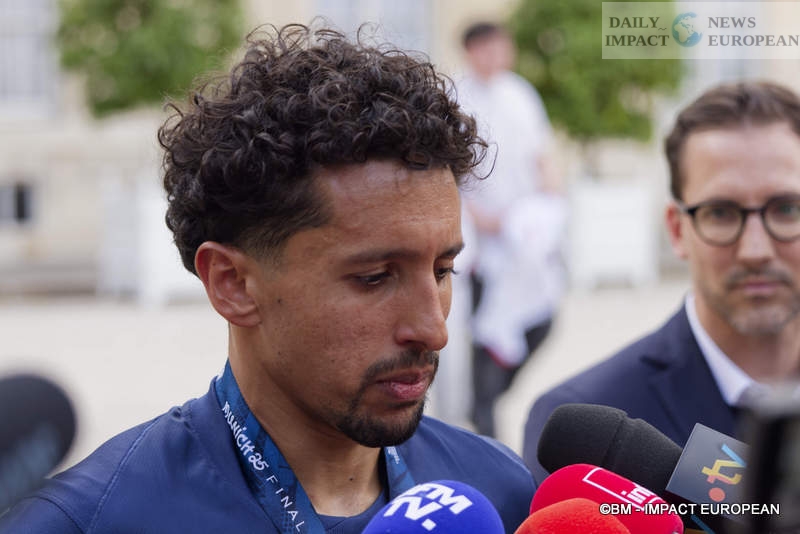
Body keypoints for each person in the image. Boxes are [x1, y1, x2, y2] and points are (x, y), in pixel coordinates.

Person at [0, 23, 535, 533]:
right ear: (232, 283)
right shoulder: (90, 521)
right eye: (375, 278)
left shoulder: (501, 491)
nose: (434, 329)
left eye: (443, 270)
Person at [522, 80, 800, 485]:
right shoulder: (591, 431)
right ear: (676, 229)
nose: (755, 249)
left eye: (786, 208)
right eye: (721, 212)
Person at [456, 22, 567, 438]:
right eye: (486, 48)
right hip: (484, 237)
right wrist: (478, 216)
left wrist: (550, 198)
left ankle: (486, 400)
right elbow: (449, 168)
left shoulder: (520, 93)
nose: (495, 55)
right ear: (471, 51)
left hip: (526, 233)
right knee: (486, 332)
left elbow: (542, 152)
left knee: (541, 319)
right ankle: (484, 421)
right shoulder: (458, 96)